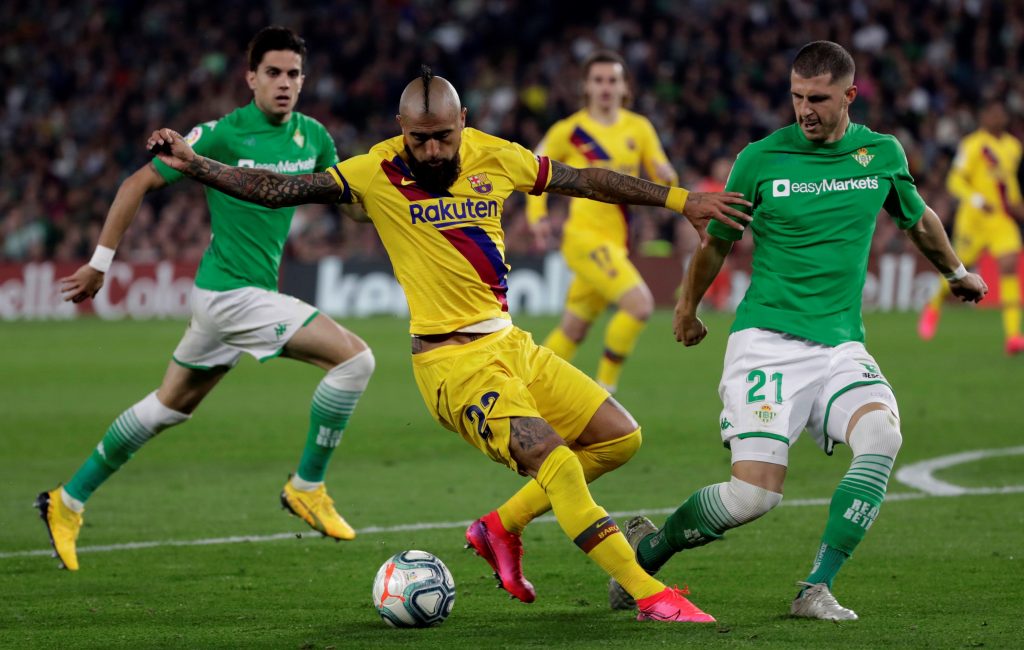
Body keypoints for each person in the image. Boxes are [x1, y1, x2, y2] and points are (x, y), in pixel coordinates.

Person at [146, 66, 752, 622]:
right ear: (400, 130)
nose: (433, 150)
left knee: (620, 439)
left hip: (510, 345)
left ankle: (498, 527)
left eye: (443, 137)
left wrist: (681, 200)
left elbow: (583, 179)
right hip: (450, 364)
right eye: (420, 139)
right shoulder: (372, 171)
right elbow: (278, 191)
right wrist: (197, 164)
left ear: (463, 124)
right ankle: (650, 595)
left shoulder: (495, 155)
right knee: (558, 461)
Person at [608, 41, 988, 620]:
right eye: (796, 97)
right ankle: (650, 549)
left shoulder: (880, 154)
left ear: (849, 96)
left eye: (817, 98)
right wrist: (687, 307)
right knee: (753, 496)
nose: (804, 109)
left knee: (883, 436)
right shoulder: (759, 158)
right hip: (767, 342)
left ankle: (815, 587)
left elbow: (920, 220)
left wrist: (957, 273)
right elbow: (717, 245)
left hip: (841, 346)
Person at [37, 27, 375, 572]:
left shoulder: (313, 137)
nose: (284, 83)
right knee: (357, 359)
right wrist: (99, 265)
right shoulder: (221, 134)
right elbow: (135, 185)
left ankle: (66, 501)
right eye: (273, 73)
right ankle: (307, 486)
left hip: (234, 297)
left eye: (293, 74)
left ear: (303, 80)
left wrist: (394, 197)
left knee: (167, 409)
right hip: (231, 296)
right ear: (251, 78)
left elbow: (353, 207)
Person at [526, 51, 677, 394]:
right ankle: (605, 389)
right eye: (598, 80)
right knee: (640, 306)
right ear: (586, 86)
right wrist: (538, 217)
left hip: (617, 241)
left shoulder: (638, 128)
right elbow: (531, 169)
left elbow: (661, 172)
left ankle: (528, 388)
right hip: (584, 238)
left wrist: (669, 177)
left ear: (625, 87)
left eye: (612, 80)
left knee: (573, 329)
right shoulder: (570, 131)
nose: (605, 87)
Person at [918, 99, 1024, 354]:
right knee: (957, 272)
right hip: (973, 221)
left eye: (1001, 114)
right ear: (984, 117)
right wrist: (977, 200)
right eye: (993, 114)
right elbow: (955, 180)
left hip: (1000, 219)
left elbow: (1008, 182)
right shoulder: (972, 145)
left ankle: (1012, 336)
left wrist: (1017, 205)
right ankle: (933, 306)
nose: (997, 119)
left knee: (1010, 266)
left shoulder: (1013, 146)